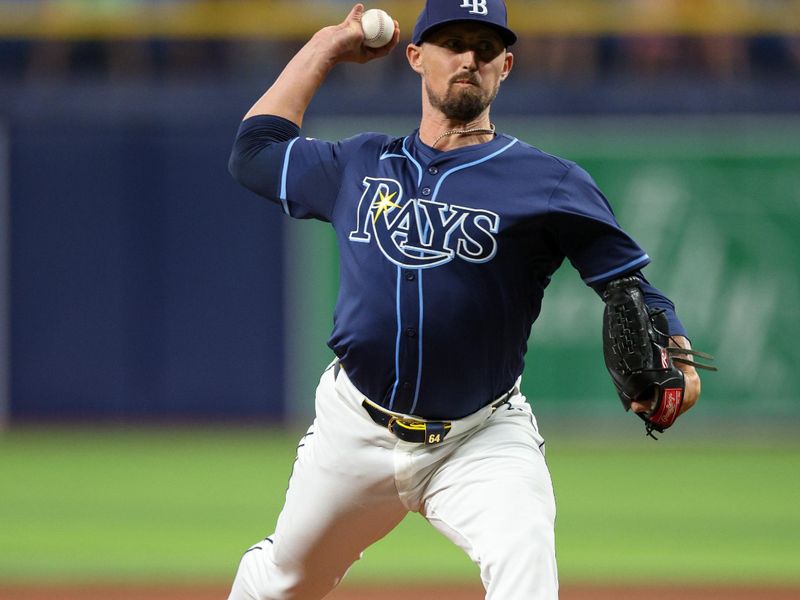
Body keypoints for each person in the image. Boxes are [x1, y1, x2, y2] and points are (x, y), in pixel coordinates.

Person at [226, 2, 702, 599]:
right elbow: (254, 152)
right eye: (452, 42)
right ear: (417, 57)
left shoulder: (548, 182)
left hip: (480, 437)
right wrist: (326, 44)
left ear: (506, 65)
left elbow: (630, 286)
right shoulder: (358, 164)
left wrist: (680, 361)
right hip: (354, 429)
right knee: (284, 583)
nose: (469, 58)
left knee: (524, 565)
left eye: (484, 46)